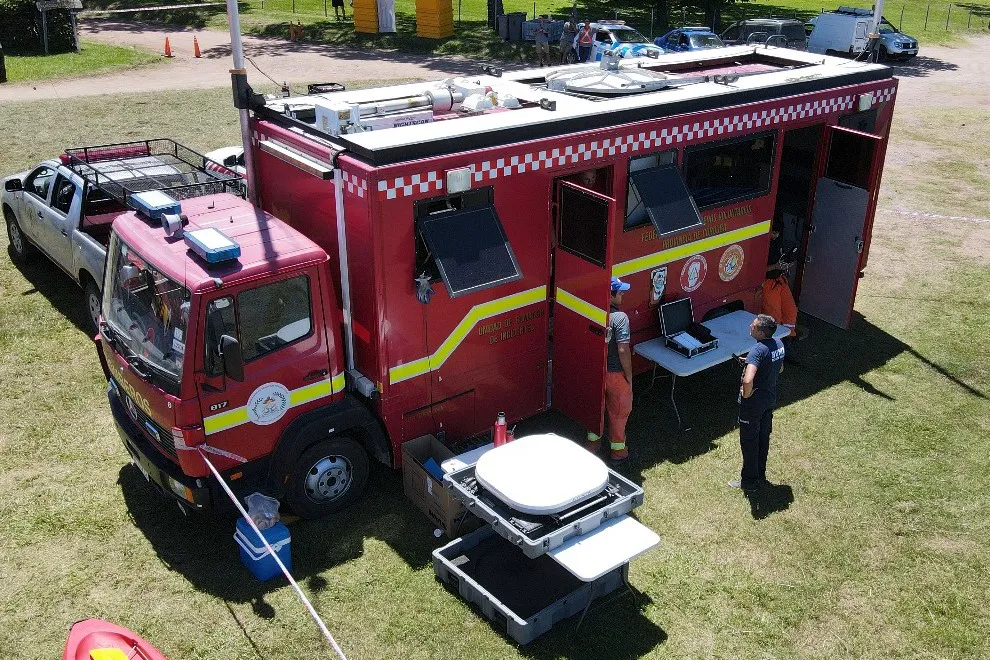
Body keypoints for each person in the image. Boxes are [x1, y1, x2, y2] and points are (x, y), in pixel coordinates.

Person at [731, 314, 785, 492]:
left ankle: (749, 482)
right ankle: (760, 474)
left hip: (753, 405)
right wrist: (751, 363)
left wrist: (746, 395)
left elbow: (747, 381)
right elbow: (780, 368)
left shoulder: (757, 350)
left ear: (761, 333)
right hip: (769, 399)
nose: (750, 326)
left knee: (749, 442)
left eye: (753, 326)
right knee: (763, 438)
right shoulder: (778, 344)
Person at [586, 277, 633, 463]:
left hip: (596, 372)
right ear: (610, 294)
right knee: (619, 413)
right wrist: (628, 375)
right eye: (619, 291)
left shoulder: (593, 312)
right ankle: (618, 453)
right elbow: (623, 349)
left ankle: (592, 446)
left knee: (594, 410)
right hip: (615, 375)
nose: (623, 294)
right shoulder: (620, 318)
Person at [762, 220, 807, 360]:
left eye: (777, 233)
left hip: (780, 281)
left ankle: (787, 343)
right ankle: (775, 349)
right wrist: (775, 266)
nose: (775, 236)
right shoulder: (761, 245)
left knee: (791, 311)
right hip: (768, 284)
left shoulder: (777, 243)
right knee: (774, 317)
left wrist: (788, 263)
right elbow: (758, 270)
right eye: (773, 232)